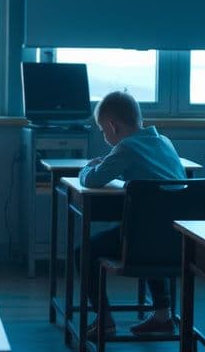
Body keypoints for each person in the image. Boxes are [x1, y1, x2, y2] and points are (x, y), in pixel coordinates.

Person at [78, 90, 186, 339]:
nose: (105, 136)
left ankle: (103, 319)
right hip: (178, 241)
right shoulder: (164, 142)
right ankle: (162, 316)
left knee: (85, 251)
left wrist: (88, 167)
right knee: (149, 235)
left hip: (143, 242)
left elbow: (94, 180)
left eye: (103, 131)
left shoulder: (126, 147)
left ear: (112, 126)